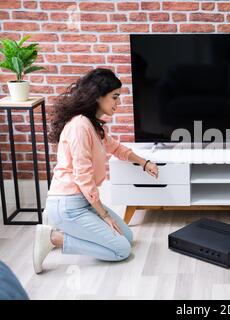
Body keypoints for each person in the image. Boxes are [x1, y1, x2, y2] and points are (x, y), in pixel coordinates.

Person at [33, 68, 159, 274]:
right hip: (68, 204)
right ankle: (53, 238)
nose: (118, 104)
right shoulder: (79, 127)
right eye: (115, 97)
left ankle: (70, 231)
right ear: (98, 97)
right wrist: (105, 215)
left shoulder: (92, 124)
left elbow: (116, 148)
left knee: (126, 237)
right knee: (121, 250)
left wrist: (144, 163)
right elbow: (83, 177)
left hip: (83, 201)